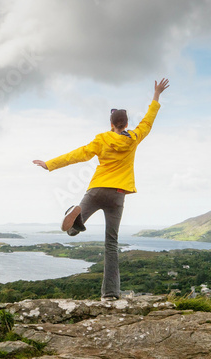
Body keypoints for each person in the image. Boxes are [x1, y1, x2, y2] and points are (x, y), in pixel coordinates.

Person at [33, 78, 169, 301]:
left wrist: (50, 164)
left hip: (96, 190)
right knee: (111, 244)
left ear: (111, 124)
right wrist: (156, 95)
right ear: (126, 124)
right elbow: (149, 120)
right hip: (117, 195)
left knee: (72, 230)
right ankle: (111, 294)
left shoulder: (102, 139)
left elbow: (78, 154)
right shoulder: (134, 138)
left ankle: (74, 216)